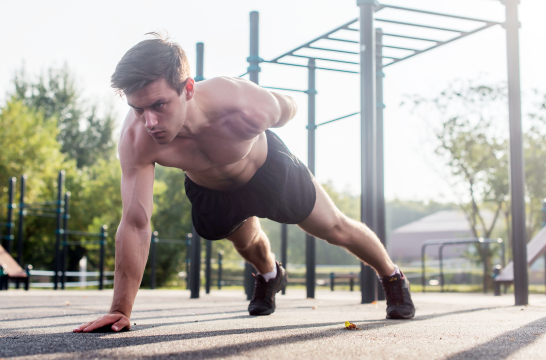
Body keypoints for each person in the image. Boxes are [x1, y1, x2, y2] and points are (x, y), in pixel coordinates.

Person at [73, 33, 414, 333]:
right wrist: (120, 310)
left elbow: (289, 107)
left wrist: (276, 107)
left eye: (159, 104)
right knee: (246, 244)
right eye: (137, 109)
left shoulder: (241, 104)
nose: (149, 121)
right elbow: (135, 222)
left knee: (336, 228)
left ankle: (392, 277)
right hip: (212, 190)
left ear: (188, 88)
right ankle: (269, 275)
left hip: (269, 170)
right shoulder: (136, 139)